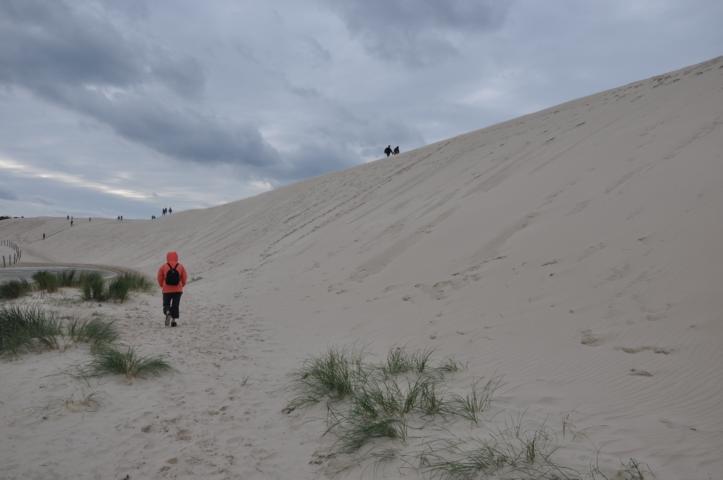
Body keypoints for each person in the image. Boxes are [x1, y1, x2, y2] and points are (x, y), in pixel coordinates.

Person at [157, 251, 188, 327]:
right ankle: (173, 321)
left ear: (167, 257)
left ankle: (167, 312)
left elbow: (159, 277)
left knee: (166, 304)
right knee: (175, 305)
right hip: (178, 290)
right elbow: (184, 277)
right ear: (176, 257)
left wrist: (162, 285)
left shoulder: (164, 266)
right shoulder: (180, 266)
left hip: (166, 290)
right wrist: (182, 285)